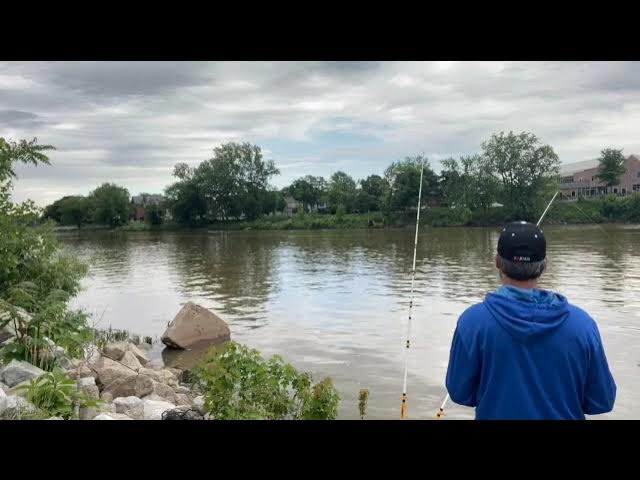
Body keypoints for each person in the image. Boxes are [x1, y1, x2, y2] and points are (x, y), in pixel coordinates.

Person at [445, 221, 616, 420]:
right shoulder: (583, 326)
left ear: (497, 262)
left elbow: (459, 392)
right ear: (545, 265)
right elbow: (601, 401)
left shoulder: (472, 323)